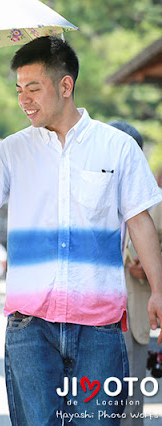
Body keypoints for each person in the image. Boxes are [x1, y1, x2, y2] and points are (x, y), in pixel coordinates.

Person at [0, 36, 162, 424]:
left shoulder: (117, 148)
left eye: (34, 88)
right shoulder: (12, 150)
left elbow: (140, 222)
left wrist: (160, 290)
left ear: (65, 86)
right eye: (19, 89)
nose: (24, 99)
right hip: (30, 327)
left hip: (100, 328)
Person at [109, 121, 162, 426]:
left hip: (135, 312)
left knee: (130, 405)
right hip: (89, 315)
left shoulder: (156, 201)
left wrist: (152, 268)